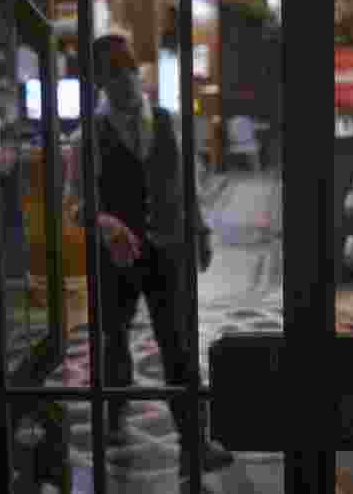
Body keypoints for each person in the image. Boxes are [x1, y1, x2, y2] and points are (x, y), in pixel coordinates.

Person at [70, 33, 232, 476]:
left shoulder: (169, 121)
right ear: (100, 80)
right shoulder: (87, 136)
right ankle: (113, 421)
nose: (123, 80)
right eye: (112, 73)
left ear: (137, 71)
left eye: (128, 70)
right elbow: (77, 205)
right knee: (113, 343)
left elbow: (186, 184)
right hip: (114, 257)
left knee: (178, 346)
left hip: (168, 248)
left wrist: (199, 231)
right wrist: (104, 223)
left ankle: (193, 445)